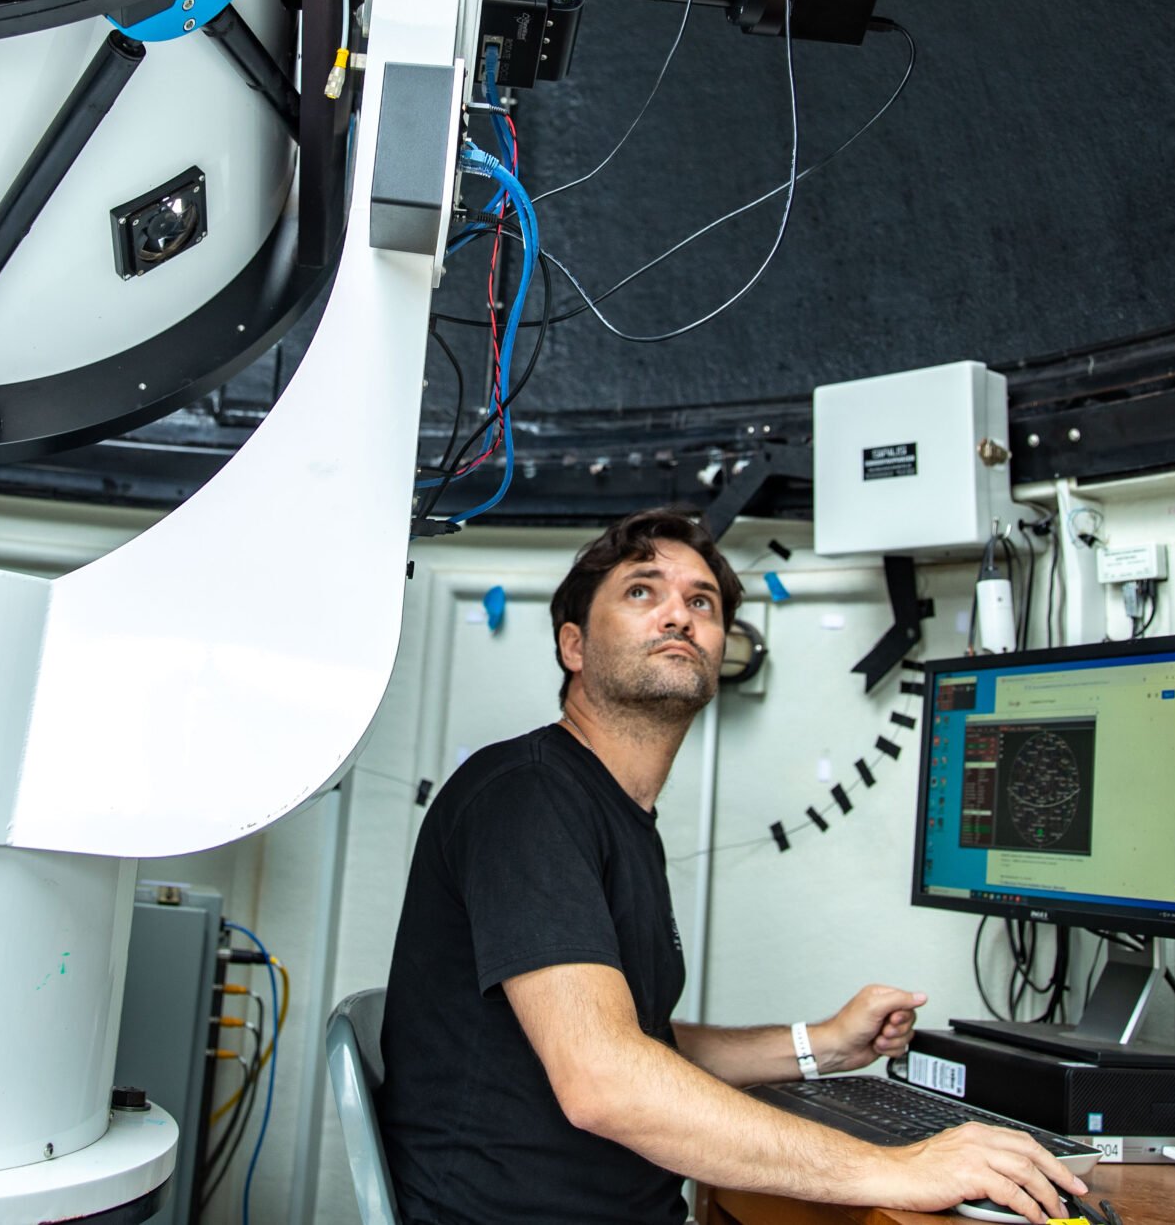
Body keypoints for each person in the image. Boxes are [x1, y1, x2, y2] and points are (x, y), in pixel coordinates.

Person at [376, 506, 1089, 1225]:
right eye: (641, 591)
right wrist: (895, 1168)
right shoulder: (527, 796)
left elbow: (639, 1040)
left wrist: (823, 1045)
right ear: (575, 646)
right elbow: (605, 1079)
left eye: (701, 602)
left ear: (721, 648)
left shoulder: (616, 814)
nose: (679, 615)